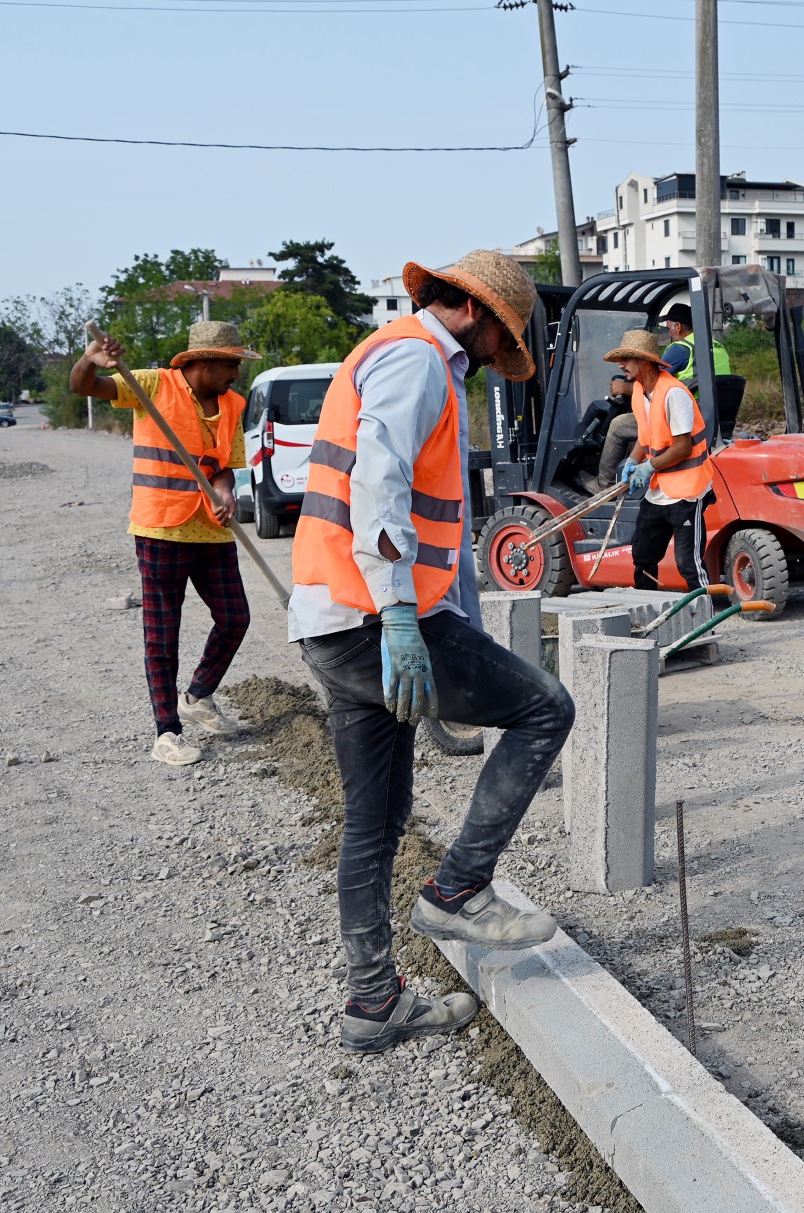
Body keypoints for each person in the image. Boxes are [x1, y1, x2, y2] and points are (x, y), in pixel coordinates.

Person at [288, 250, 575, 1055]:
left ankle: (373, 1002)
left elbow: (432, 521)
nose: (496, 359)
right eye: (502, 340)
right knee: (546, 708)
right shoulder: (417, 361)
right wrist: (407, 619)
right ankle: (458, 889)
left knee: (374, 821)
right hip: (377, 616)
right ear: (480, 314)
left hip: (332, 619)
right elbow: (376, 483)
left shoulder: (385, 353)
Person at [71, 320, 254, 767]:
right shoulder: (151, 384)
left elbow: (227, 464)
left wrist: (227, 490)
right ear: (203, 363)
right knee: (162, 633)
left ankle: (197, 695)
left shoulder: (233, 403)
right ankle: (166, 731)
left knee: (235, 618)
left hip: (210, 528)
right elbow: (84, 386)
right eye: (231, 363)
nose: (237, 372)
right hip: (161, 529)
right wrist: (88, 360)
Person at [611, 328, 714, 591]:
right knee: (643, 556)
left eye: (626, 359)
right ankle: (647, 614)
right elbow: (645, 437)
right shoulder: (638, 391)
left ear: (644, 361)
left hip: (686, 493)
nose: (621, 365)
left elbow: (681, 448)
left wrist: (649, 467)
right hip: (658, 490)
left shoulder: (674, 393)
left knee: (688, 564)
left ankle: (705, 615)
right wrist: (634, 461)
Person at [576, 372, 635, 493]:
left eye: (626, 360)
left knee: (618, 425)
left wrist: (626, 387)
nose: (621, 365)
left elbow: (654, 386)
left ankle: (604, 484)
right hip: (660, 412)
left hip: (661, 416)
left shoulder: (674, 354)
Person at [656, 302, 731, 388]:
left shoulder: (679, 349)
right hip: (724, 401)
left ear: (678, 327)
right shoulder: (717, 345)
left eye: (669, 328)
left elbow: (652, 380)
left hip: (694, 401)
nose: (669, 334)